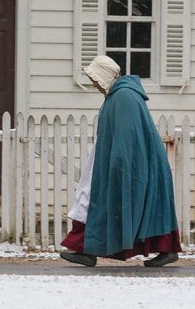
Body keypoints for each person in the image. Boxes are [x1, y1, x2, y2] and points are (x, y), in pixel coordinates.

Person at [59, 55, 182, 267]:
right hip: (112, 161)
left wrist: (118, 166)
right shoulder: (117, 95)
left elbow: (127, 135)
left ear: (105, 76)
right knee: (92, 201)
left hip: (130, 163)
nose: (94, 84)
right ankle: (85, 249)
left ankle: (166, 249)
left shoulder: (124, 96)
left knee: (127, 205)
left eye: (95, 79)